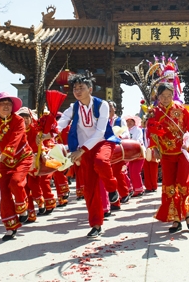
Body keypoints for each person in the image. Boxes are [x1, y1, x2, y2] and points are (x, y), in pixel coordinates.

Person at [56, 73, 119, 238]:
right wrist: (51, 132)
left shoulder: (102, 104)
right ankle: (96, 224)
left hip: (103, 142)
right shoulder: (73, 107)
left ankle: (112, 189)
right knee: (89, 188)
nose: (77, 91)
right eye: (75, 88)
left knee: (101, 162)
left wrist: (81, 150)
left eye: (81, 88)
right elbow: (62, 121)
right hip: (84, 149)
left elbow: (100, 132)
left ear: (90, 89)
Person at [146, 82, 189, 233]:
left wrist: (188, 141)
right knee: (169, 185)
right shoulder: (153, 112)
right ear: (158, 97)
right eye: (162, 96)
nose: (165, 98)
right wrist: (154, 148)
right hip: (166, 154)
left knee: (184, 182)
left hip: (183, 152)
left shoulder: (182, 110)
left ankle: (188, 214)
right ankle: (176, 219)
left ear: (173, 95)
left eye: (169, 95)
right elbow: (150, 133)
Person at [0, 92, 33, 241]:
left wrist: (2, 156)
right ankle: (10, 227)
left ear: (12, 107)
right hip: (5, 162)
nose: (6, 106)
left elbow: (14, 140)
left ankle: (22, 207)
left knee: (16, 182)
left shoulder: (18, 120)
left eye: (8, 104)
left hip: (22, 157)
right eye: (2, 104)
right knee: (4, 193)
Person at [124, 114, 145, 197]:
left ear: (134, 122)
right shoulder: (126, 131)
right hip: (130, 154)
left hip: (138, 151)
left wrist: (131, 143)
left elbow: (139, 140)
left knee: (136, 171)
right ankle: (134, 188)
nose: (129, 123)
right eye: (127, 121)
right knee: (131, 172)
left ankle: (139, 189)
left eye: (131, 121)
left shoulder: (137, 130)